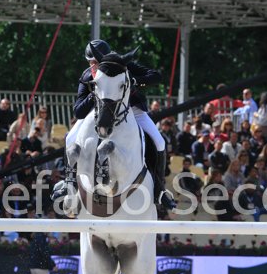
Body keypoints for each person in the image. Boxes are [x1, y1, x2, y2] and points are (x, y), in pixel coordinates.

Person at [52, 39, 175, 209]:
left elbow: (156, 76)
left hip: (132, 110)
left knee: (159, 141)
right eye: (91, 62)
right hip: (99, 113)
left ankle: (159, 190)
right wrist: (94, 93)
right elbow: (78, 112)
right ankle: (68, 183)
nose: (94, 66)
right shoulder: (87, 76)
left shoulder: (123, 66)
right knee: (69, 138)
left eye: (97, 62)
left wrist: (134, 80)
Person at [27, 206, 58, 274]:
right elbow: (44, 254)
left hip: (33, 266)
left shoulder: (36, 236)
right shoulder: (42, 238)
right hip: (40, 268)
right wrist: (52, 265)